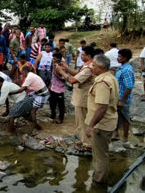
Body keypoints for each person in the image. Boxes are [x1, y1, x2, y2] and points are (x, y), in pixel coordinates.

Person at [85, 54, 119, 185]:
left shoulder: (103, 83)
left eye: (93, 65)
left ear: (99, 68)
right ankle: (100, 176)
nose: (91, 67)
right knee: (102, 154)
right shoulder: (110, 77)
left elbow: (102, 107)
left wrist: (91, 125)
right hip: (108, 122)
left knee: (100, 156)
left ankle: (98, 182)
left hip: (101, 125)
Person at [56, 46, 95, 152]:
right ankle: (84, 140)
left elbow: (73, 80)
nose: (80, 56)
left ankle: (87, 144)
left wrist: (61, 71)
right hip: (81, 97)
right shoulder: (88, 65)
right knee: (81, 120)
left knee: (82, 121)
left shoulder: (89, 68)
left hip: (83, 98)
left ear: (89, 55)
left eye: (83, 54)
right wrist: (66, 68)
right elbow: (77, 75)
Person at [9, 66, 49, 131]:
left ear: (25, 72)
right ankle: (34, 123)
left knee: (33, 111)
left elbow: (22, 89)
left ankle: (37, 127)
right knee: (30, 104)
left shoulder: (29, 77)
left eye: (22, 73)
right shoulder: (31, 75)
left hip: (42, 94)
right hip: (41, 92)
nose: (22, 75)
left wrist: (11, 93)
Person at [113, 49, 134, 142]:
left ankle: (125, 137)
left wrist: (122, 100)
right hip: (118, 97)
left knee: (125, 117)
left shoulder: (127, 70)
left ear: (125, 58)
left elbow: (129, 86)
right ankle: (115, 133)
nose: (118, 58)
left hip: (123, 99)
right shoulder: (121, 68)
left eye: (120, 56)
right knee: (116, 116)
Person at [50, 52, 66, 124]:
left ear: (59, 59)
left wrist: (56, 75)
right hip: (53, 88)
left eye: (55, 59)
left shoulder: (63, 67)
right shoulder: (54, 65)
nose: (53, 60)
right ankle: (53, 116)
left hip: (60, 89)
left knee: (60, 105)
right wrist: (50, 85)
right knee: (52, 103)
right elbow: (52, 77)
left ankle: (61, 119)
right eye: (53, 58)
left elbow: (65, 79)